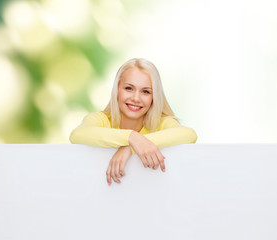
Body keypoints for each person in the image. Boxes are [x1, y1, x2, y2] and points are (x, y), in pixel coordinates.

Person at [69, 58, 197, 186]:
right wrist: (131, 137)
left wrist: (131, 148)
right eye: (129, 88)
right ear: (117, 90)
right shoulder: (101, 120)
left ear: (154, 97)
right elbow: (77, 135)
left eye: (145, 92)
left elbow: (189, 135)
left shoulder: (160, 123)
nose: (136, 98)